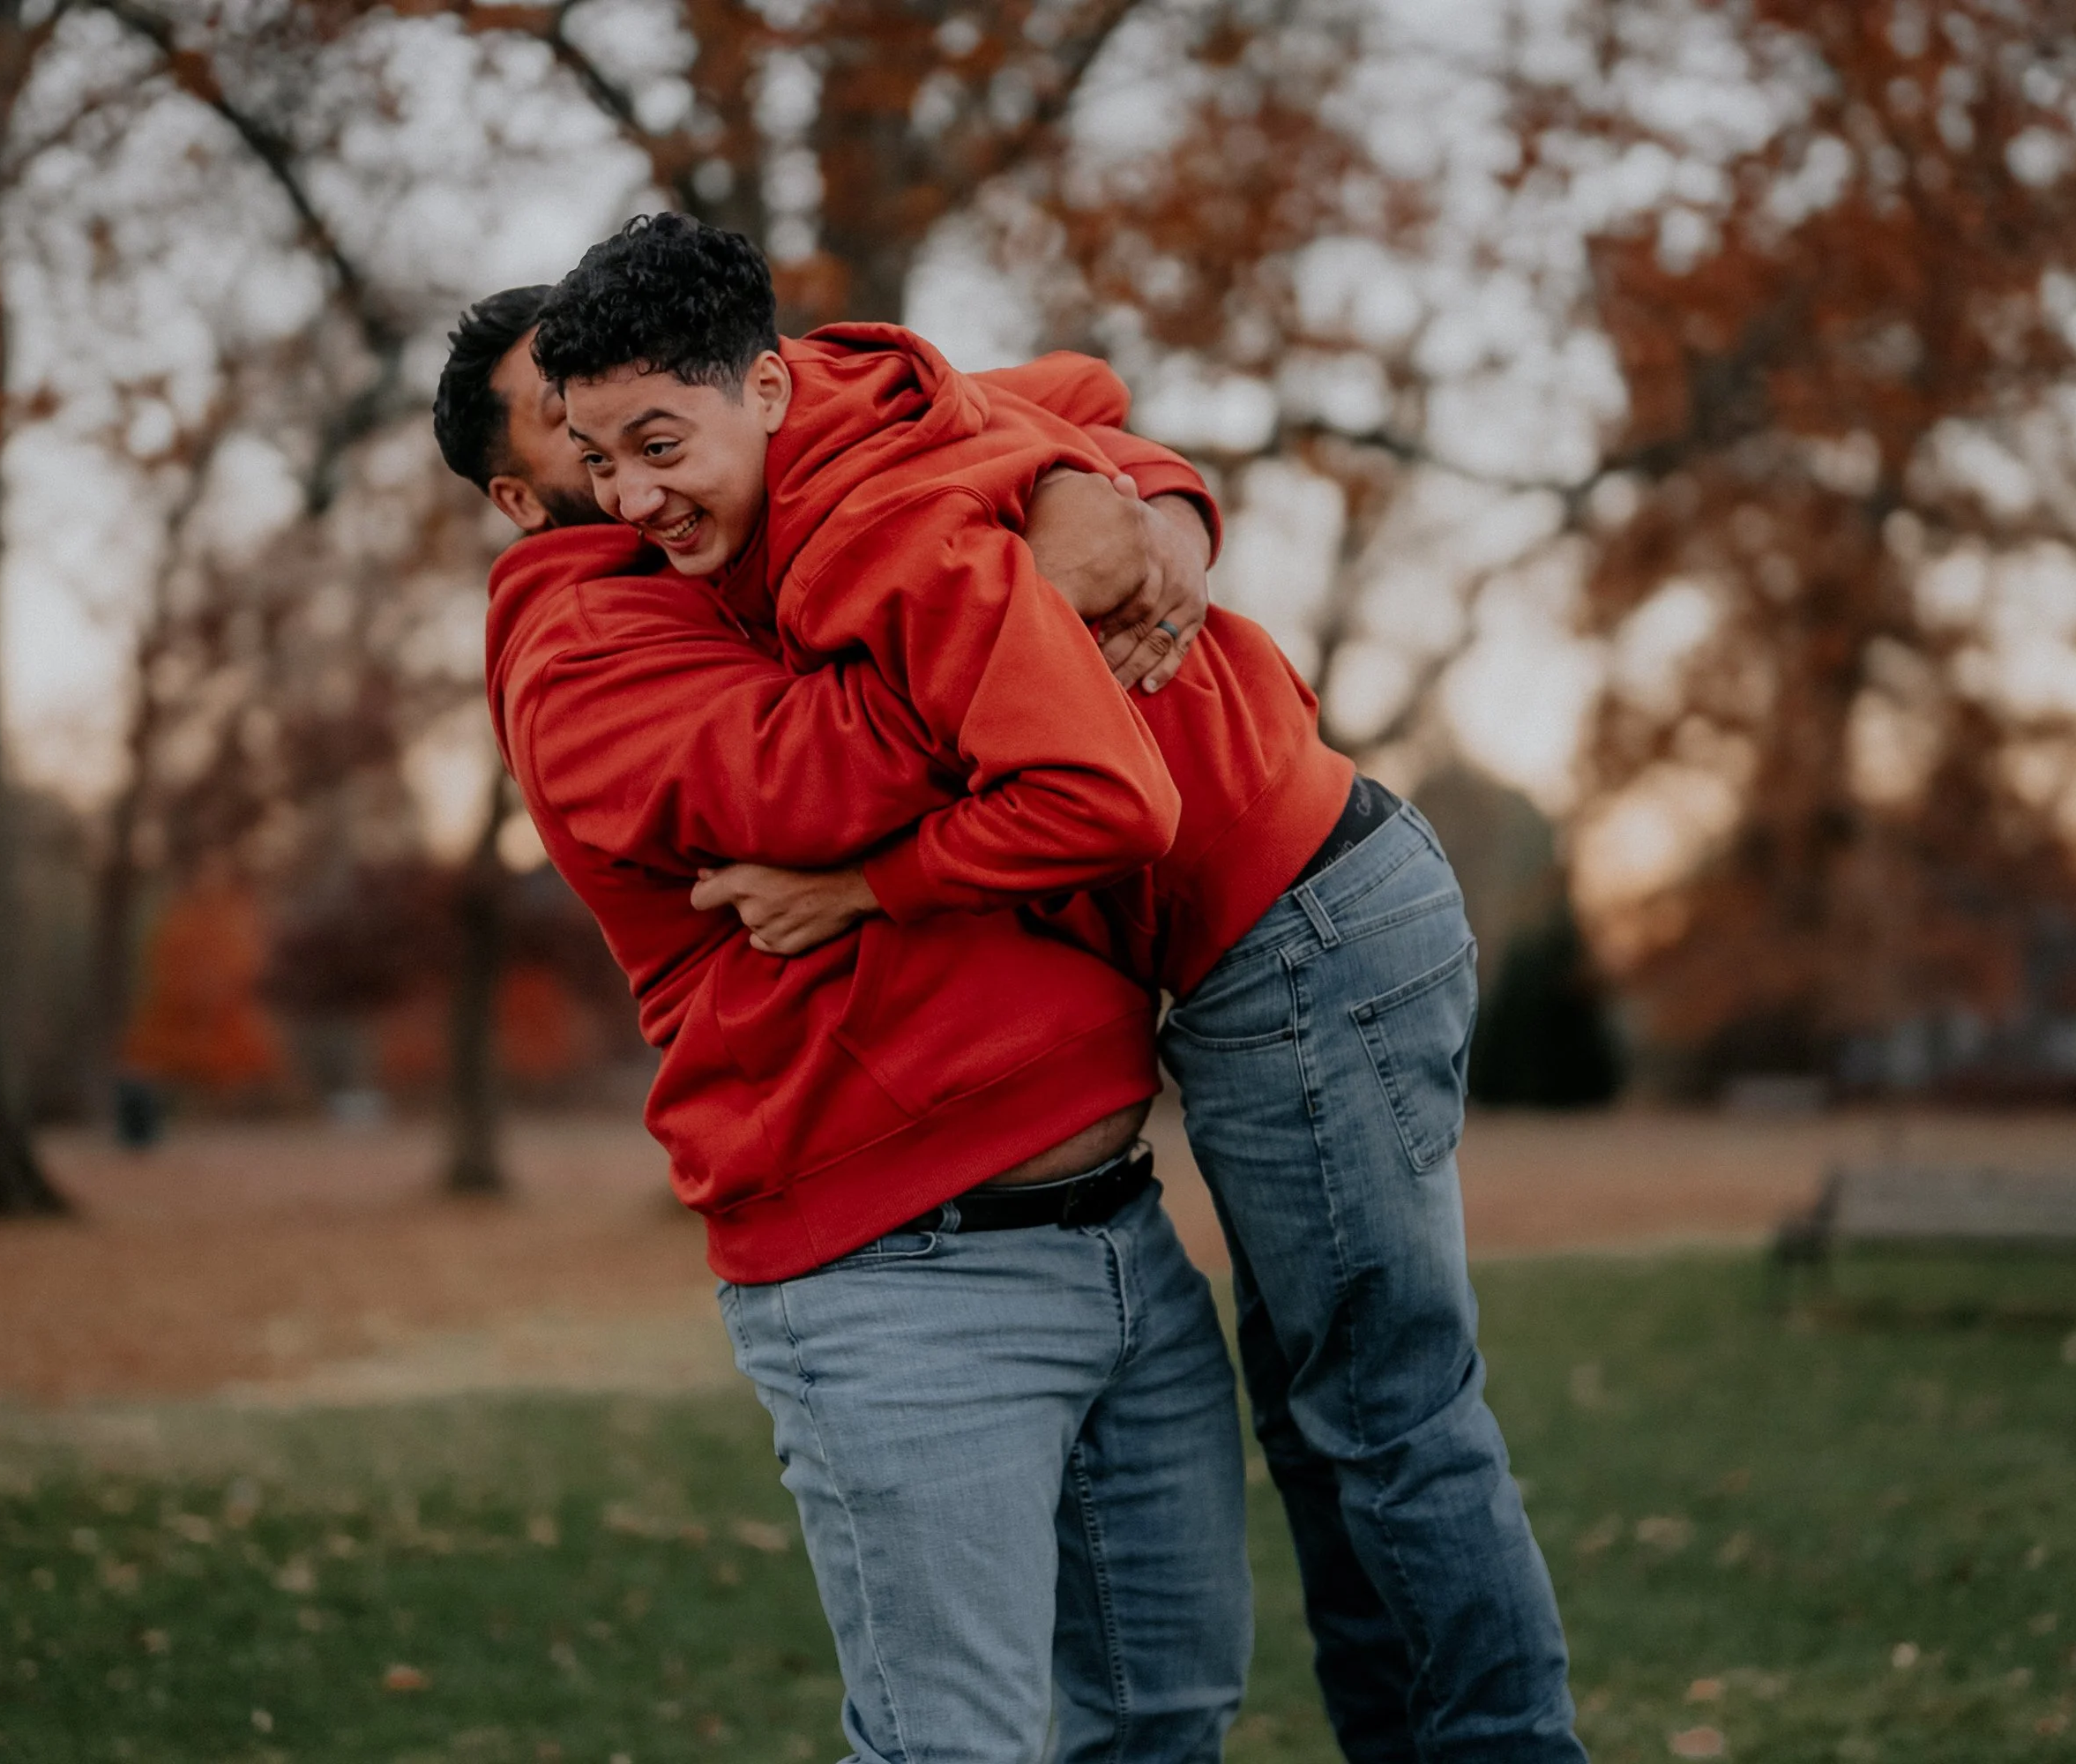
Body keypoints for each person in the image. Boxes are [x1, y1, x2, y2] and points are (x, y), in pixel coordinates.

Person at [526, 213, 1587, 1763]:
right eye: (593, 459)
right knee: (1328, 1423)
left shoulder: (866, 530)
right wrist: (1146, 491)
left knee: (1385, 1419)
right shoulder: (861, 399)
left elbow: (1105, 801)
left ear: (764, 387)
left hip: (1290, 925)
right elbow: (1079, 382)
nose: (623, 499)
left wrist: (864, 885)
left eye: (656, 444)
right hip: (1290, 904)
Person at [437, 282, 1251, 1763]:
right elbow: (821, 766)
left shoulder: (766, 539)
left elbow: (1070, 394)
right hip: (901, 1280)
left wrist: (1145, 514)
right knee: (958, 1748)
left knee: (1168, 1717)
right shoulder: (576, 655)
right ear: (519, 493)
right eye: (575, 428)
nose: (623, 459)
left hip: (1122, 1237)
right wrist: (1018, 604)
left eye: (640, 414)